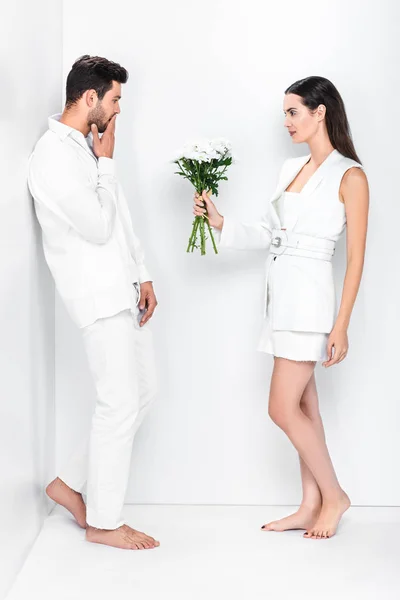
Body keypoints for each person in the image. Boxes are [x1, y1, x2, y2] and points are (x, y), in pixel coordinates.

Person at [193, 76, 369, 540]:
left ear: (320, 112)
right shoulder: (290, 170)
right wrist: (220, 221)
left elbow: (356, 260)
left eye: (294, 112)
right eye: (285, 113)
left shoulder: (349, 175)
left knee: (281, 407)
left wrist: (342, 325)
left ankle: (335, 496)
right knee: (305, 406)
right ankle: (311, 503)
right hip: (280, 298)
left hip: (310, 304)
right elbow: (269, 233)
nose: (287, 121)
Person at [28, 55, 160, 550]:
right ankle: (103, 523)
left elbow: (118, 216)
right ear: (90, 99)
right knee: (118, 403)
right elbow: (96, 225)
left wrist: (142, 273)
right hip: (96, 297)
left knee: (142, 394)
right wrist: (106, 160)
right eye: (115, 100)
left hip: (122, 291)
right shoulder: (52, 155)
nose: (118, 111)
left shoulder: (86, 149)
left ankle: (69, 483)